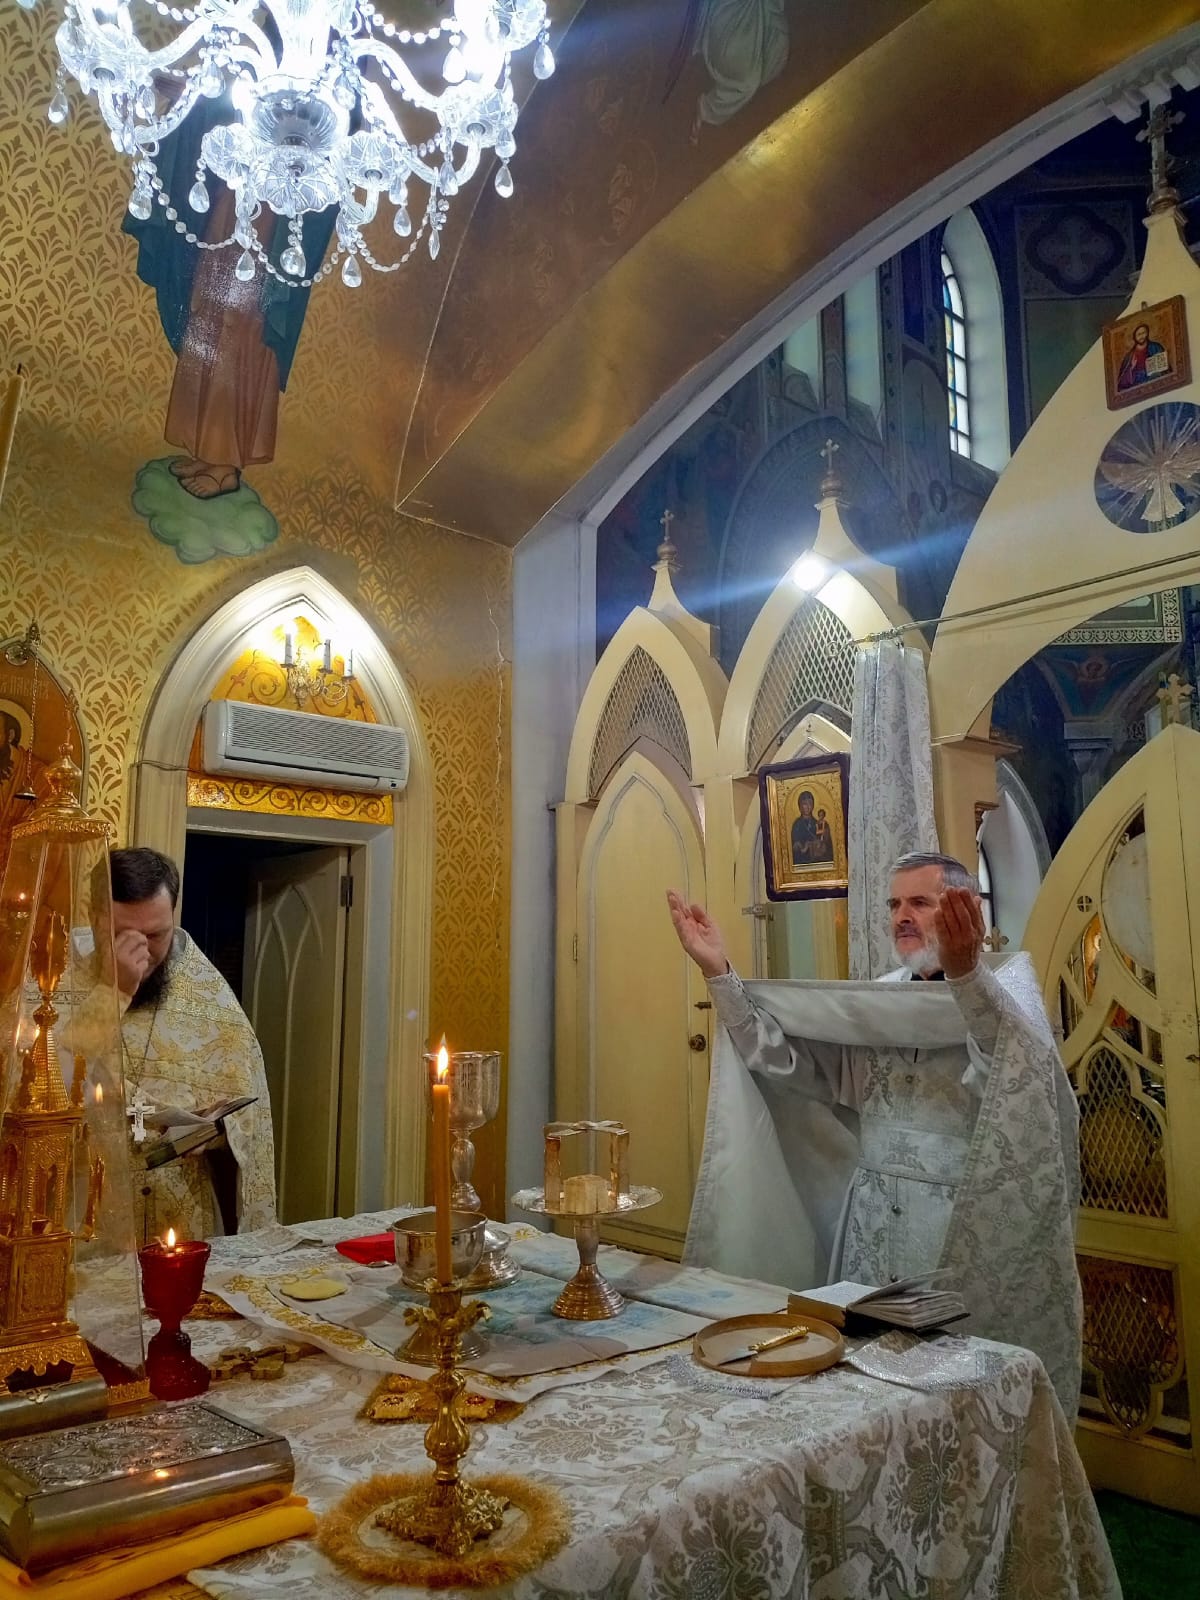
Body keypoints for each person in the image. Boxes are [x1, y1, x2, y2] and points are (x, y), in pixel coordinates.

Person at [668, 851, 1082, 1415]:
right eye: (894, 904)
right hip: (870, 1220)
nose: (901, 917)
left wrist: (966, 977)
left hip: (955, 1225)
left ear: (965, 909)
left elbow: (1014, 1088)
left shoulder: (1008, 991)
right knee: (863, 1384)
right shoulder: (880, 998)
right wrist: (720, 973)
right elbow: (790, 1067)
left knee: (953, 1393)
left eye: (920, 902)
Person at [111, 847, 276, 1240]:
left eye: (155, 935)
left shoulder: (209, 996)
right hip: (86, 1211)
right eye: (121, 934)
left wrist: (211, 1134)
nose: (141, 952)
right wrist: (110, 991)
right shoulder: (54, 981)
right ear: (93, 915)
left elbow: (249, 1122)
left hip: (181, 1216)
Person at [1116, 322, 1167, 391]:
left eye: (1143, 333)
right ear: (1134, 337)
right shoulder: (1129, 356)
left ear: (1147, 333)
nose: (1141, 336)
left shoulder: (1156, 347)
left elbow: (1165, 368)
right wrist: (1131, 368)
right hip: (1137, 384)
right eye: (1139, 334)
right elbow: (1121, 382)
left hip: (1154, 379)